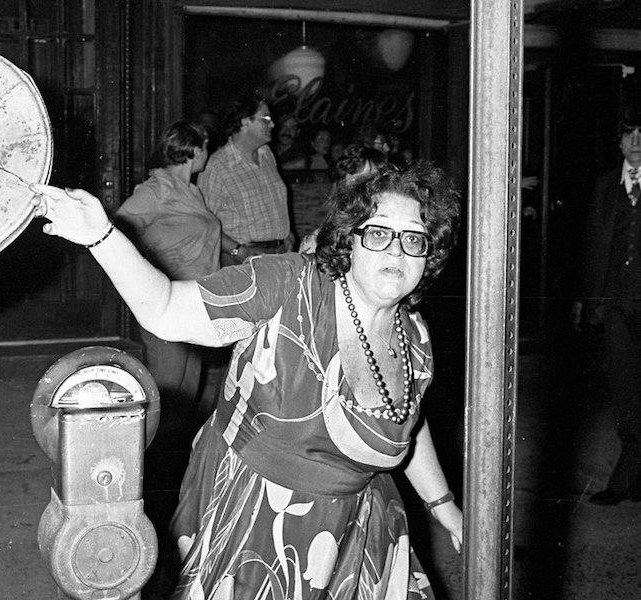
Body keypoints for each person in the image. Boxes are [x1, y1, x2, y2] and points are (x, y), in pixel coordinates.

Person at [32, 161, 464, 599]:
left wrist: (442, 503)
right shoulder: (286, 286)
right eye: (377, 233)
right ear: (348, 241)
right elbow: (165, 309)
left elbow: (407, 418)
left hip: (361, 532)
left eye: (414, 239)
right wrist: (101, 237)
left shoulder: (415, 334)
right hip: (256, 523)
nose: (396, 252)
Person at [114, 121, 220, 432]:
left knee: (188, 388)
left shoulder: (191, 191)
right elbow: (118, 226)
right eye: (206, 147)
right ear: (195, 150)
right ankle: (149, 458)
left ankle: (173, 461)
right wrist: (148, 265)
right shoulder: (157, 189)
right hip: (168, 299)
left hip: (197, 301)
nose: (208, 154)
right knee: (166, 388)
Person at [572, 106, 641, 506]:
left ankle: (626, 478)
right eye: (628, 134)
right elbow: (594, 248)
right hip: (616, 306)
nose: (635, 143)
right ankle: (631, 472)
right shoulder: (604, 186)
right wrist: (588, 301)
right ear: (618, 141)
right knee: (624, 391)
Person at [199, 93, 294, 267]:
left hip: (281, 258)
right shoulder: (217, 166)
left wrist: (287, 235)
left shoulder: (267, 155)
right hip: (244, 262)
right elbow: (203, 221)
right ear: (244, 121)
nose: (272, 124)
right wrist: (237, 250)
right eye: (265, 119)